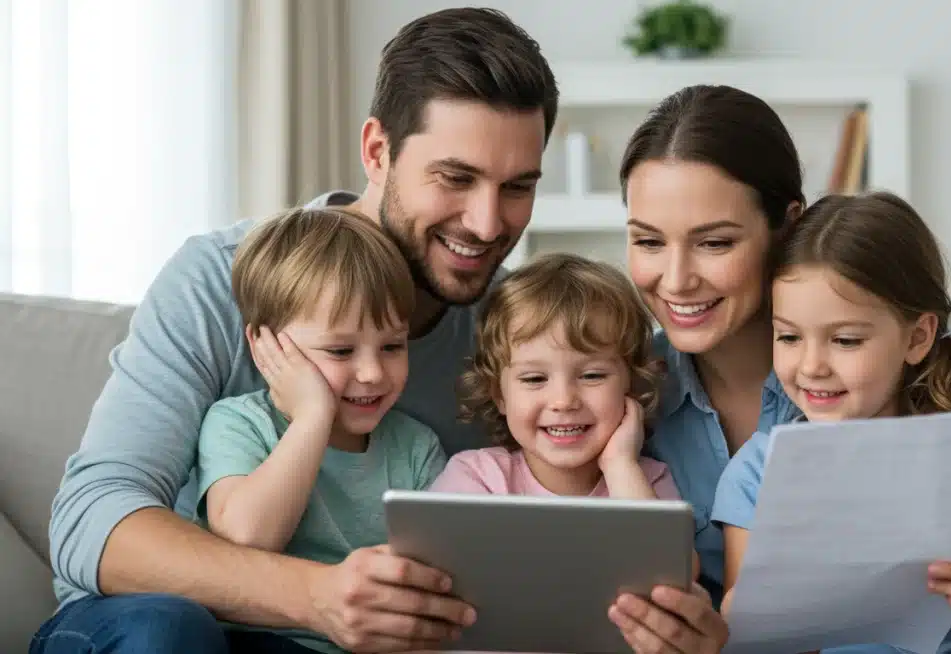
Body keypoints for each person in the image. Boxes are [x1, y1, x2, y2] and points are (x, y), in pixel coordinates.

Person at [33, 8, 728, 654]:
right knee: (166, 629)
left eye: (518, 186)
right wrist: (314, 597)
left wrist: (677, 623)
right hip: (170, 630)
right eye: (455, 178)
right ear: (376, 151)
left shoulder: (516, 334)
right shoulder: (223, 279)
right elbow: (92, 521)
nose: (488, 223)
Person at [619, 84, 951, 651]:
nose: (675, 280)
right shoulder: (621, 389)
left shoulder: (941, 382)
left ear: (786, 228)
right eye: (648, 241)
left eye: (714, 242)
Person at [713, 192, 951, 653]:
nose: (811, 366)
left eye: (845, 340)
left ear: (917, 338)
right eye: (789, 337)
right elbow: (748, 635)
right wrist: (750, 616)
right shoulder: (757, 474)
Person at [194, 206, 448, 654]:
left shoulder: (416, 447)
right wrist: (313, 416)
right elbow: (246, 538)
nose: (372, 373)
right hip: (261, 642)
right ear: (264, 345)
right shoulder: (239, 423)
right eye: (340, 350)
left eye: (392, 346)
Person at [430, 252, 678, 503]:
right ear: (499, 395)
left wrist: (620, 466)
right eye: (534, 379)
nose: (564, 401)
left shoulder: (646, 481)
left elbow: (656, 532)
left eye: (592, 375)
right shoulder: (476, 477)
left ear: (632, 384)